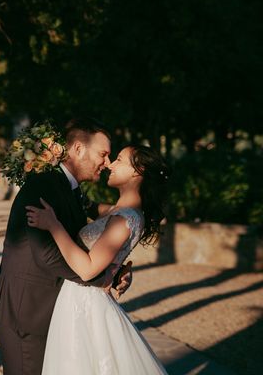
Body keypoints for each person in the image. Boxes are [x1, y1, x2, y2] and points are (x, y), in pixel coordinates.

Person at [0, 117, 133, 375]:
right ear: (78, 149)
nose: (107, 163)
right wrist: (100, 278)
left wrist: (113, 270)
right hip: (26, 309)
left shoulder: (70, 189)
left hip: (45, 309)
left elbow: (78, 245)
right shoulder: (44, 184)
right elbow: (46, 253)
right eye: (103, 154)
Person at [26, 144, 170, 374]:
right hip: (79, 299)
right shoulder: (118, 211)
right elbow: (88, 206)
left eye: (120, 160)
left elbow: (88, 269)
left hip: (83, 304)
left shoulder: (124, 218)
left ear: (138, 170)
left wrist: (53, 225)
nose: (110, 164)